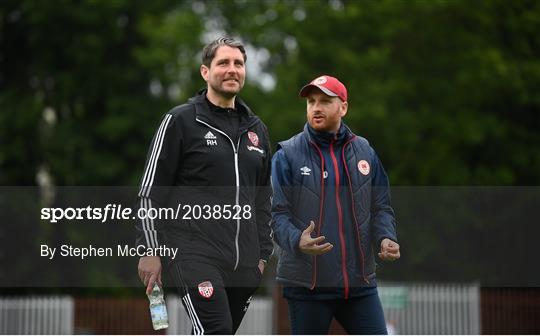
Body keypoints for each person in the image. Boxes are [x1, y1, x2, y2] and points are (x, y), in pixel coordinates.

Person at [136, 37, 273, 335]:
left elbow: (264, 200)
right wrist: (150, 249)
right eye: (223, 63)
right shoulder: (180, 121)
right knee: (216, 330)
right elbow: (150, 192)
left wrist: (262, 256)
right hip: (192, 253)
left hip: (245, 264)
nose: (232, 70)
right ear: (205, 72)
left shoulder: (257, 130)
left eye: (238, 63)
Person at [271, 75, 400, 334]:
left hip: (359, 285)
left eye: (325, 101)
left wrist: (385, 237)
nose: (316, 107)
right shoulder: (286, 155)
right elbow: (276, 215)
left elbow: (381, 207)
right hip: (308, 287)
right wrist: (298, 240)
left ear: (343, 107)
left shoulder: (365, 151)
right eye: (311, 101)